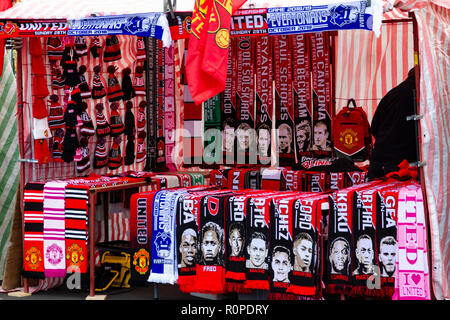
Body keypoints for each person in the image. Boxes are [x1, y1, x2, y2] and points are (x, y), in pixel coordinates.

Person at [368, 66, 418, 180]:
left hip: (379, 160)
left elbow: (374, 127)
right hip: (403, 166)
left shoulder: (392, 93)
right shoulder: (421, 95)